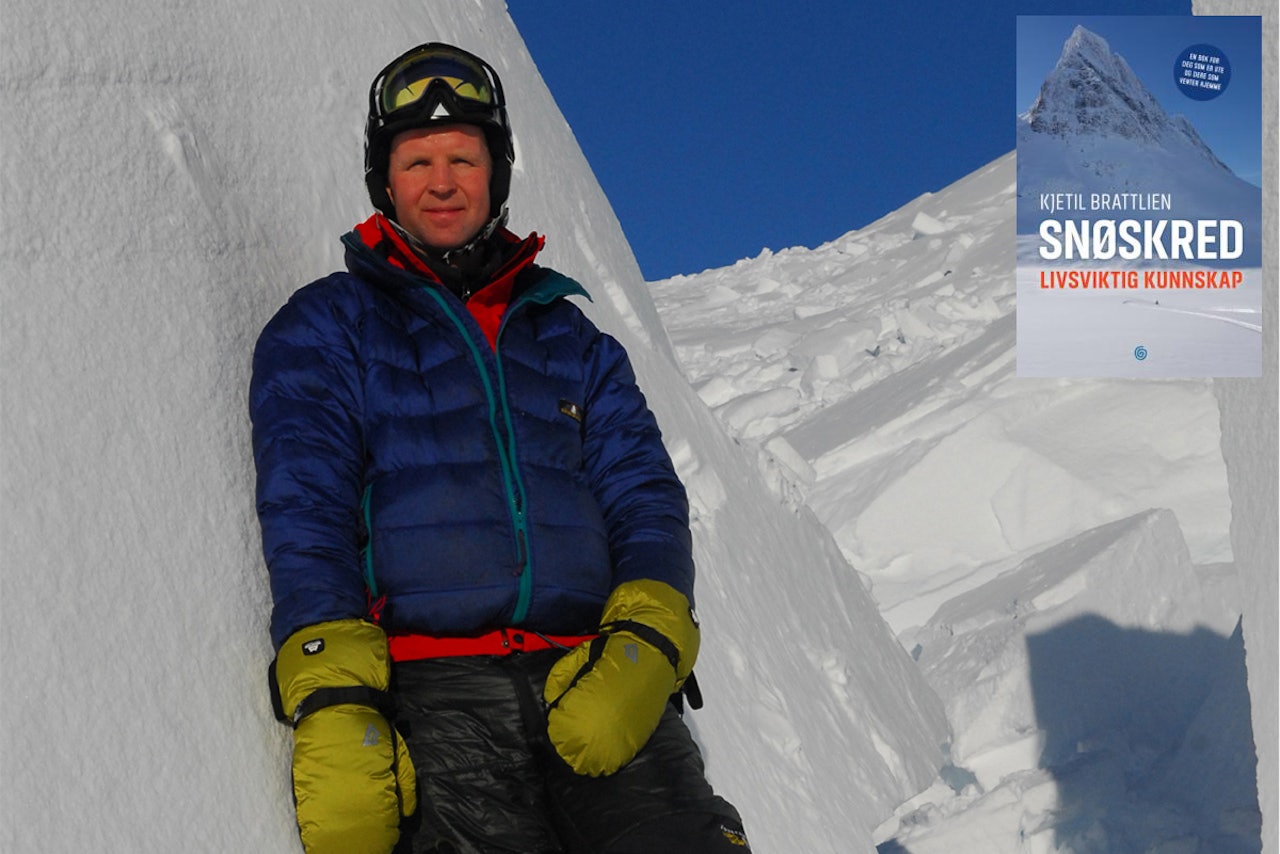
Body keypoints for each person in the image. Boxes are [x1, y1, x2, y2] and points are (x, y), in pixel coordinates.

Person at [250, 42, 751, 854]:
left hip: (590, 677)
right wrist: (332, 694)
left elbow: (644, 492)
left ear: (498, 172)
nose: (441, 182)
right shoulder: (322, 330)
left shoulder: (572, 340)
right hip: (433, 696)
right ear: (385, 180)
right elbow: (306, 511)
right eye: (416, 161)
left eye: (462, 157)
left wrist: (648, 636)